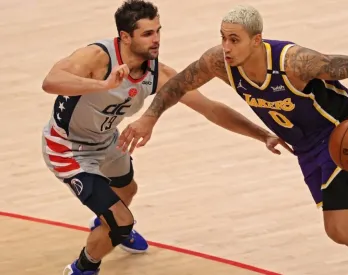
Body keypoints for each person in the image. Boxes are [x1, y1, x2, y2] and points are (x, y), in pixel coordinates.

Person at [117, 4, 348, 275]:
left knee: (341, 229)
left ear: (256, 40)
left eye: (234, 39)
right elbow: (180, 82)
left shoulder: (295, 63)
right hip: (305, 148)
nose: (225, 46)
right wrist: (150, 116)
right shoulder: (220, 63)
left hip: (341, 135)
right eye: (222, 37)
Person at [40, 1, 290, 274]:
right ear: (125, 37)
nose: (156, 39)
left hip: (108, 141)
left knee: (128, 191)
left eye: (158, 31)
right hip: (67, 148)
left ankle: (106, 226)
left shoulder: (156, 72)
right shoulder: (98, 57)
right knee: (121, 221)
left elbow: (211, 109)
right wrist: (103, 85)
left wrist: (262, 134)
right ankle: (82, 267)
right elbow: (50, 81)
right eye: (147, 34)